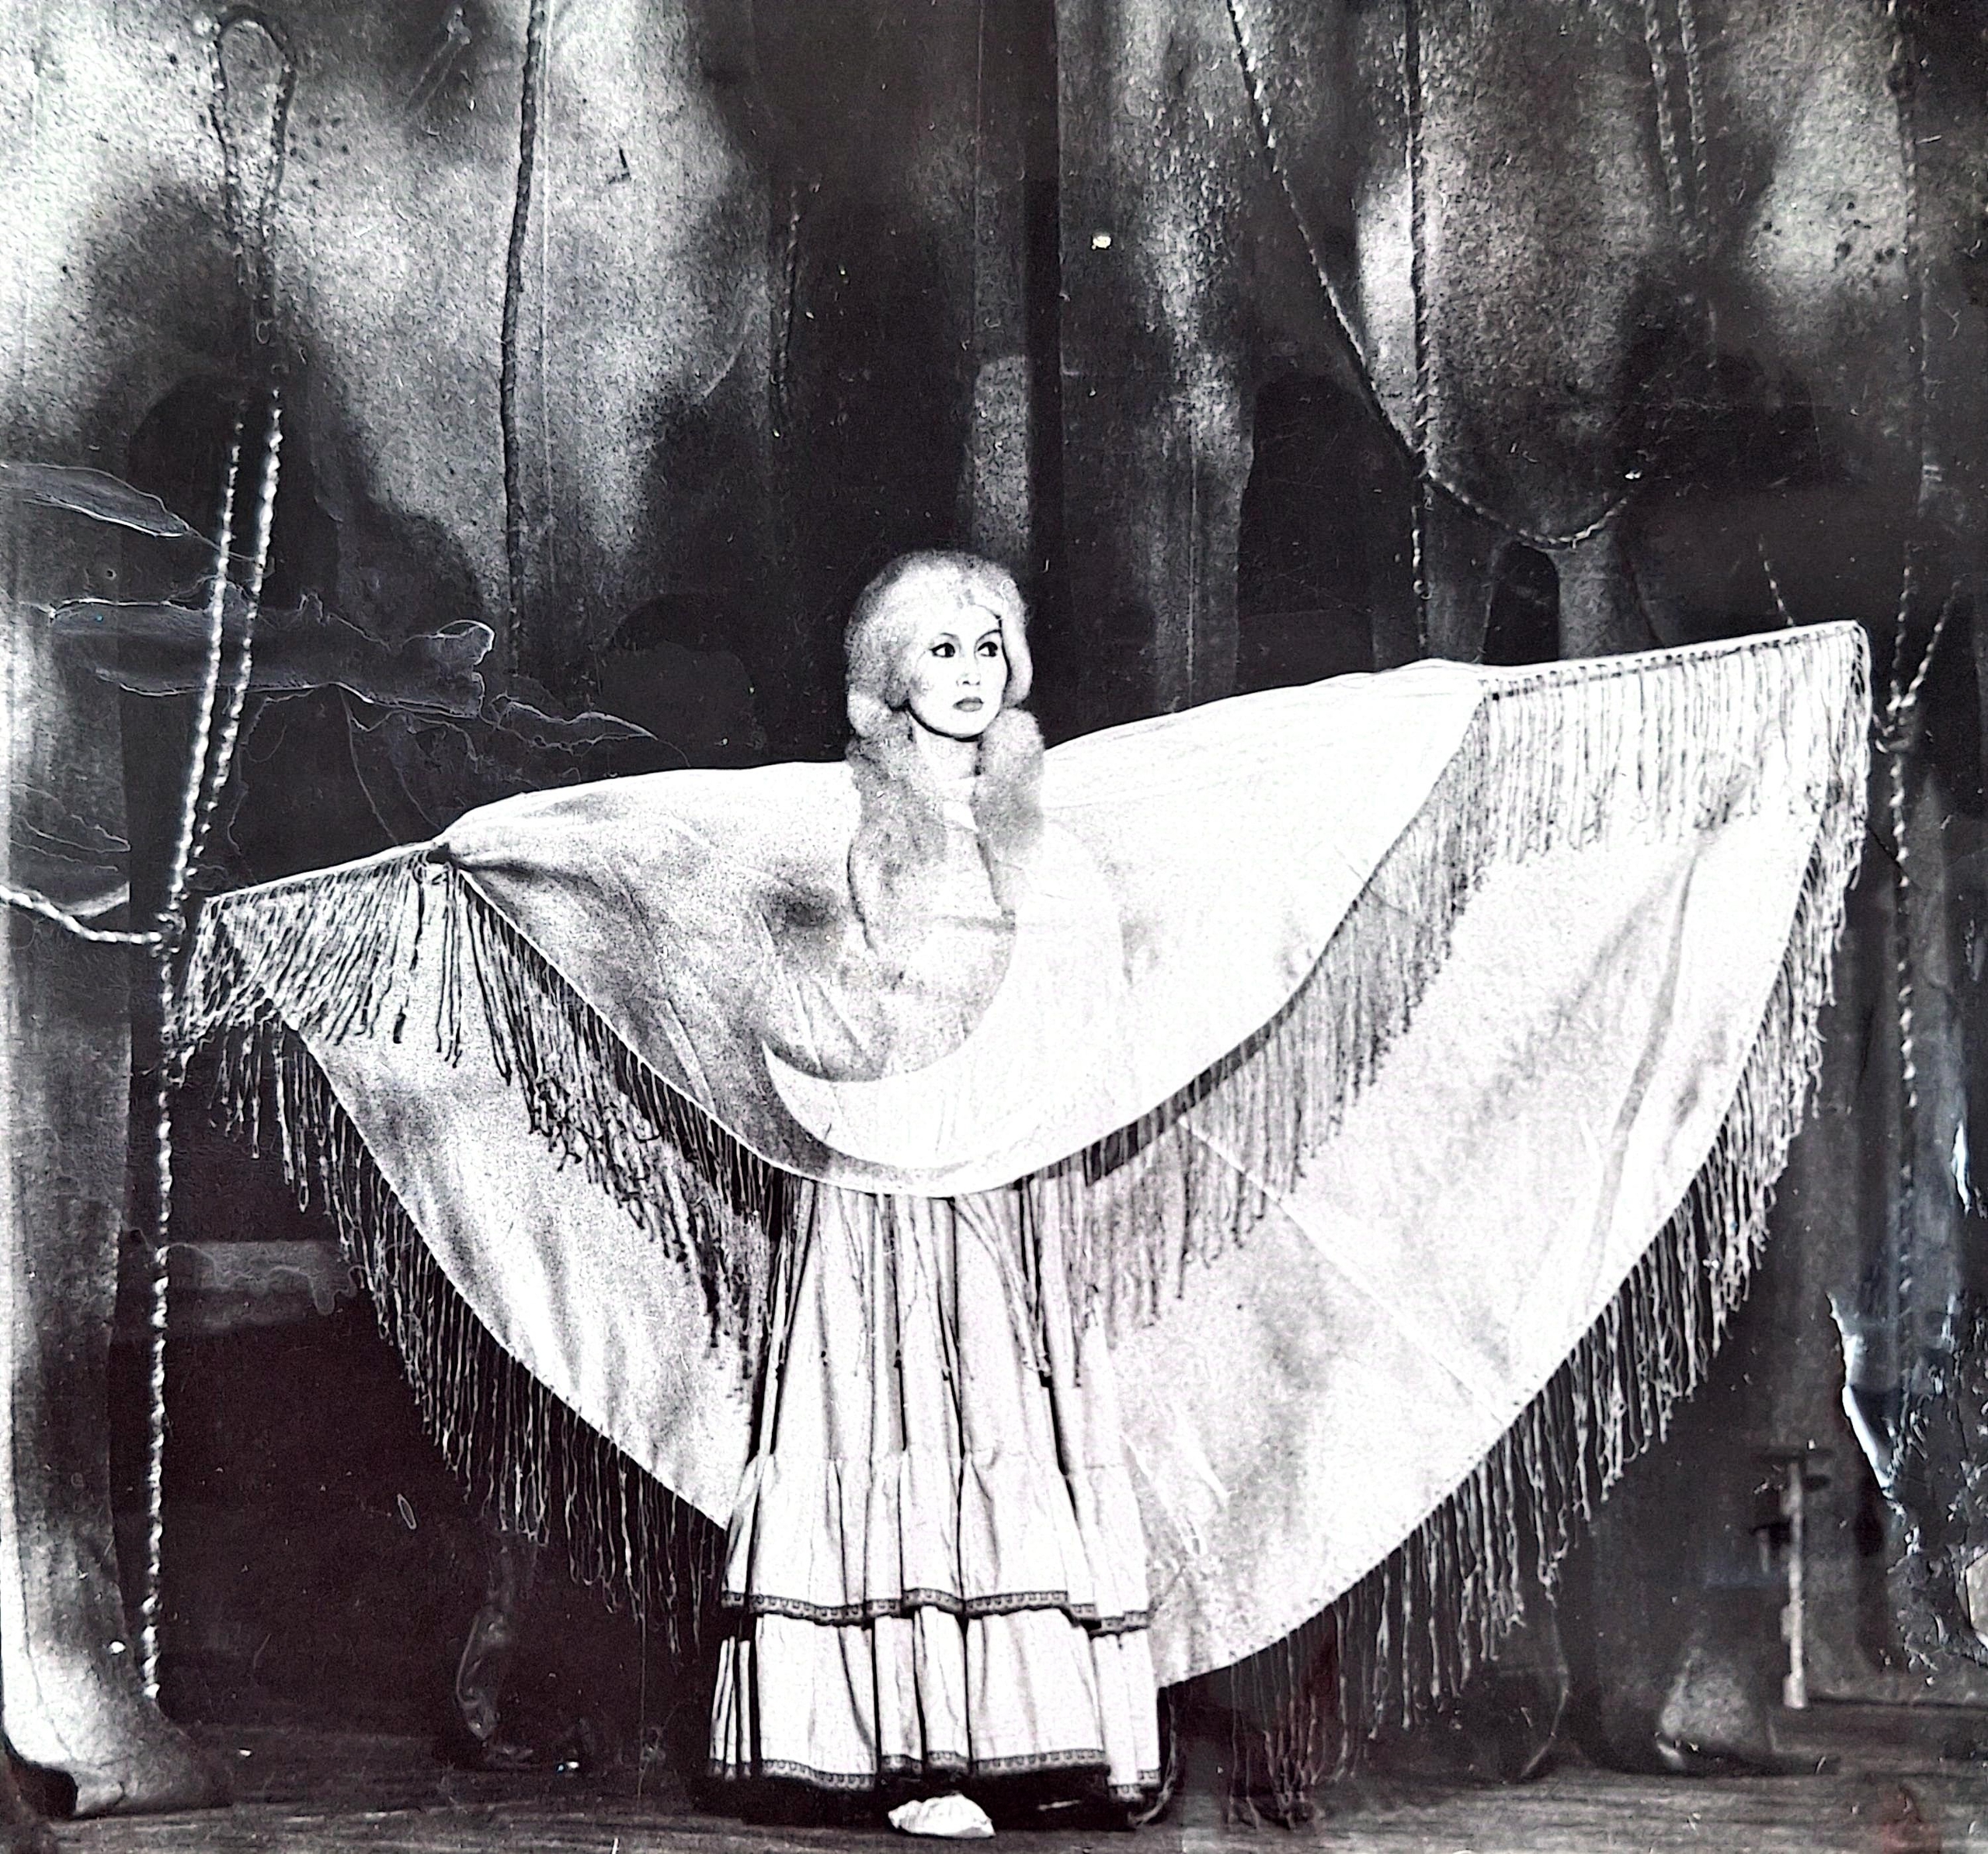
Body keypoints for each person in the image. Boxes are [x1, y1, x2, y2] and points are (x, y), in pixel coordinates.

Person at [705, 552, 1163, 1821]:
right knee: (887, 1408)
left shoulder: (1050, 814)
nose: (969, 673)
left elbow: (1097, 981)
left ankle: (1041, 1737)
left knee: (1006, 1410)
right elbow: (761, 968)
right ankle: (912, 1747)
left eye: (987, 645)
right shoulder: (836, 814)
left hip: (1007, 1174)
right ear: (887, 672)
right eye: (939, 649)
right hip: (881, 1181)